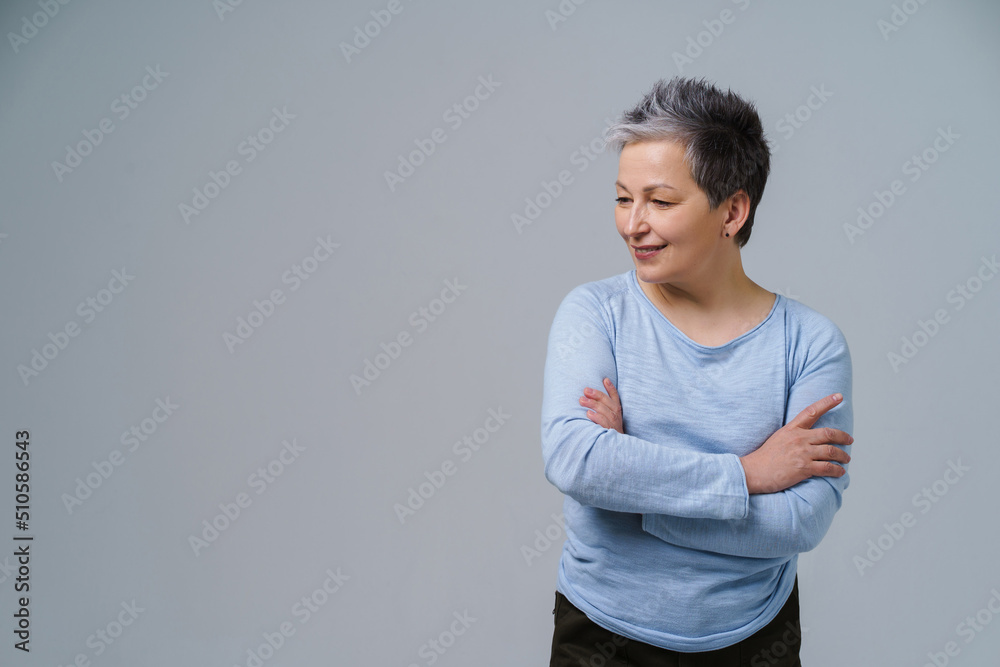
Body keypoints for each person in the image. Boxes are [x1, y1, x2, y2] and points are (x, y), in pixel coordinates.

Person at [540, 77, 855, 666]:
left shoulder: (810, 343)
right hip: (601, 633)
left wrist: (631, 489)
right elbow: (575, 461)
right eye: (622, 198)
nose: (633, 224)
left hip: (755, 637)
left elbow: (801, 522)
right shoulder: (594, 313)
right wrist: (748, 474)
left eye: (660, 202)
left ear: (732, 210)